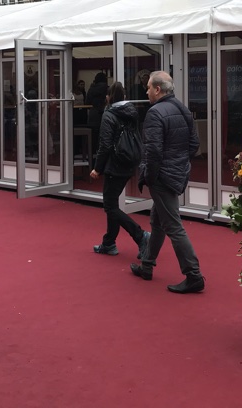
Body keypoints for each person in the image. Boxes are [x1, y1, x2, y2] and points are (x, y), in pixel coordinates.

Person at [130, 71, 205, 294]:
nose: (146, 91)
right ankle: (147, 265)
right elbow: (194, 145)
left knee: (173, 225)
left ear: (157, 89)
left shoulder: (155, 113)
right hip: (176, 173)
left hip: (162, 176)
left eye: (148, 87)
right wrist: (179, 162)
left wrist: (151, 177)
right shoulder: (183, 109)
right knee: (158, 220)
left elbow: (153, 151)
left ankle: (193, 275)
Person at [90, 82, 150, 258]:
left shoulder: (109, 115)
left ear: (108, 97)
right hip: (129, 161)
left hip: (114, 164)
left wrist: (97, 168)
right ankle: (109, 242)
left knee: (110, 206)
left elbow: (105, 144)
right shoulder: (132, 112)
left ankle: (140, 235)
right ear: (124, 97)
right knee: (112, 204)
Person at [85, 72, 109, 154]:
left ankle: (91, 156)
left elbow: (87, 103)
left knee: (93, 138)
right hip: (104, 115)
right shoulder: (107, 89)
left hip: (93, 115)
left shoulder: (91, 89)